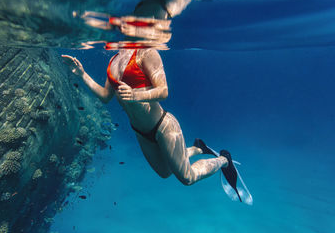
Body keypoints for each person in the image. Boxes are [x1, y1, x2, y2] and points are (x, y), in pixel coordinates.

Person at [61, 49, 239, 194]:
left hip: (163, 125)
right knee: (165, 172)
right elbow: (106, 97)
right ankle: (198, 148)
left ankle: (224, 160)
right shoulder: (114, 61)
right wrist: (82, 74)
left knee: (187, 177)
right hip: (141, 132)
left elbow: (163, 91)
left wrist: (135, 95)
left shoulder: (145, 53)